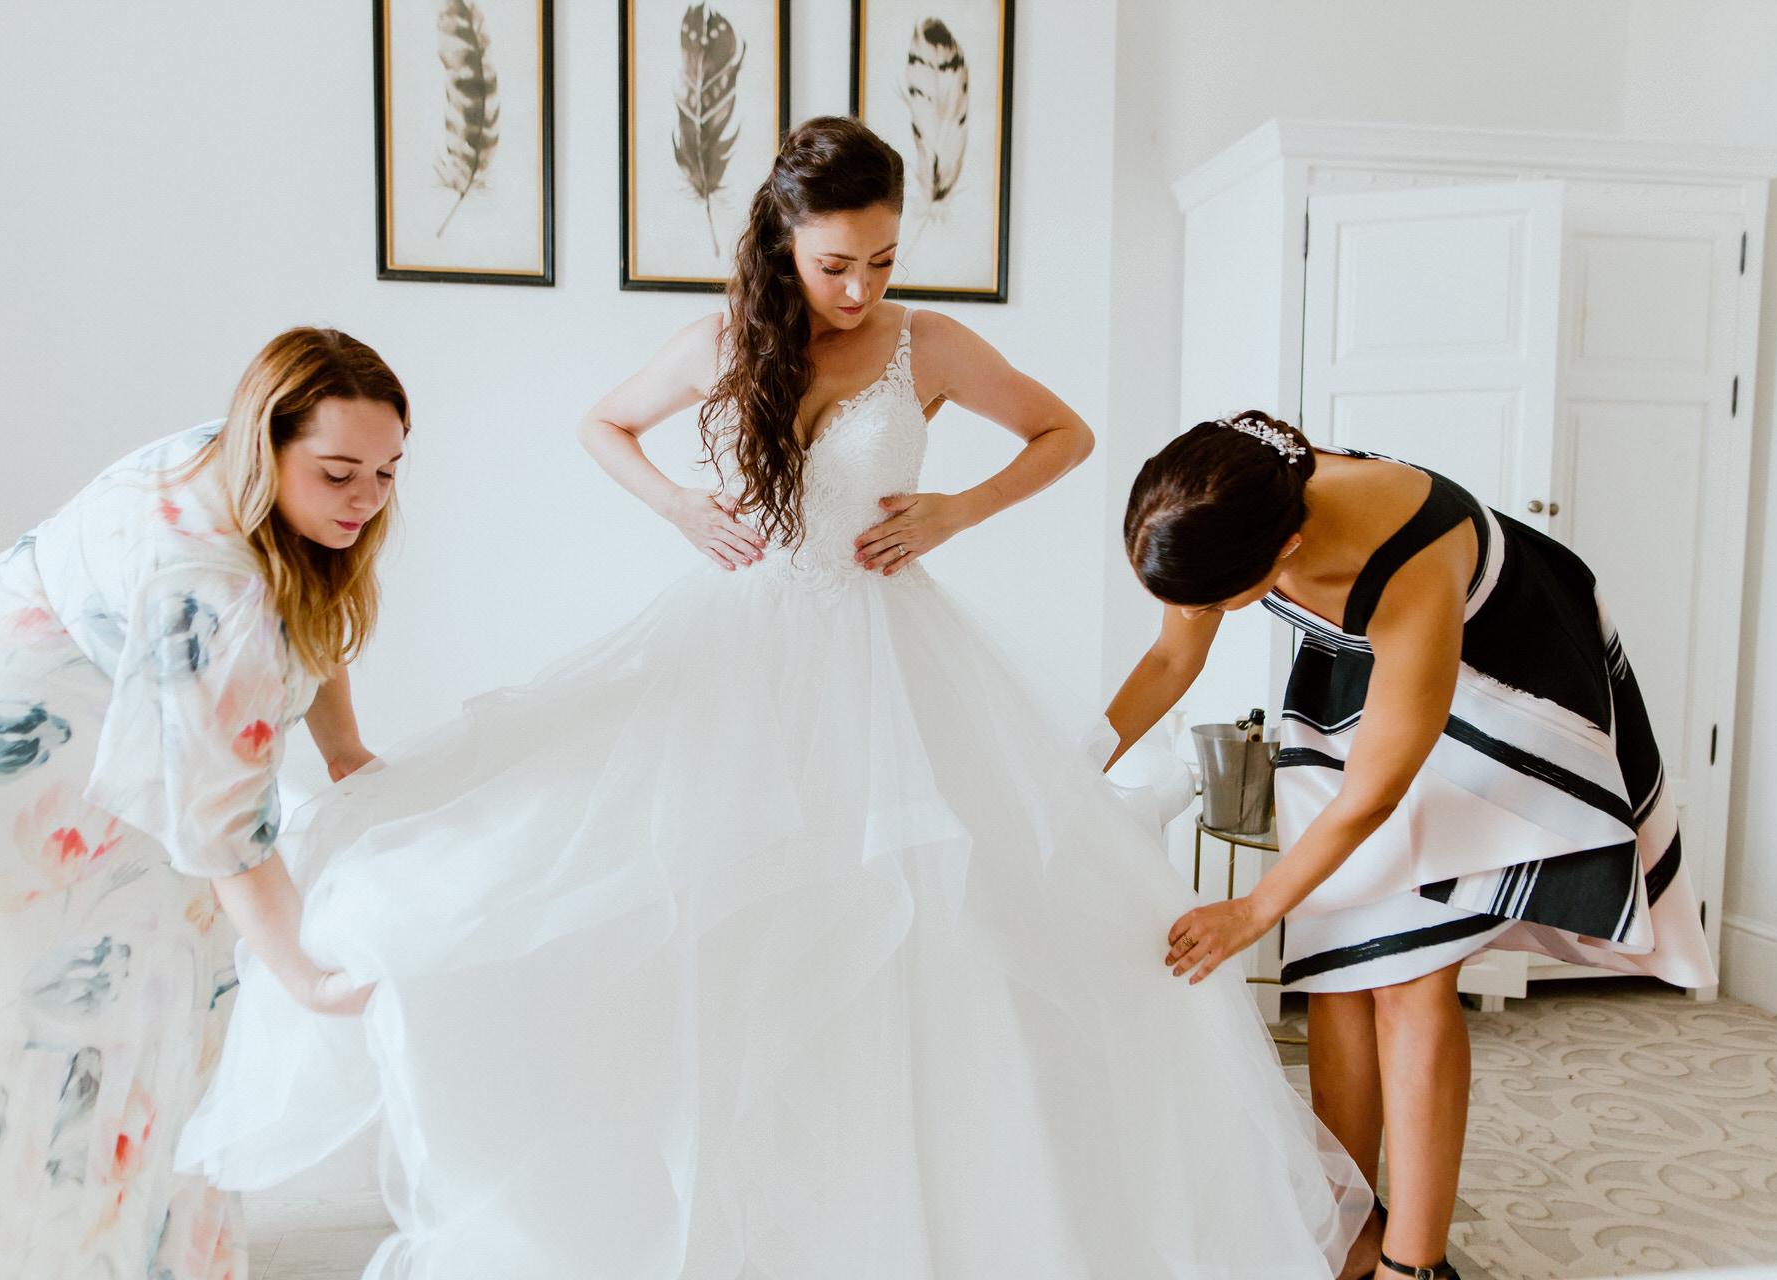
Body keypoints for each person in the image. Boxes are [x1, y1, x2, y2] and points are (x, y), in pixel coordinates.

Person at [182, 120, 1368, 1279]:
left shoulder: (927, 344)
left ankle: (907, 1206)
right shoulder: (723, 341)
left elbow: (1066, 432)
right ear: (783, 240)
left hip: (892, 664)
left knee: (922, 919)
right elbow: (603, 423)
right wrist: (679, 506)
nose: (861, 288)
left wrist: (957, 509)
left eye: (884, 260)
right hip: (736, 655)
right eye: (836, 262)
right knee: (713, 908)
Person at [1109, 410, 1715, 1280]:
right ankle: (1350, 1230)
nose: (1196, 617)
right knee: (1338, 965)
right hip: (1364, 675)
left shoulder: (1413, 563)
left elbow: (1375, 794)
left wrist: (1255, 909)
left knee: (1409, 972)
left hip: (1505, 677)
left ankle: (1413, 1265)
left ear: (1286, 552)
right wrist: (1071, 763)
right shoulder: (1224, 494)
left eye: (1213, 605)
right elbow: (1172, 663)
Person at [0, 327, 404, 1278]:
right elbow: (223, 827)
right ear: (267, 444)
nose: (367, 498)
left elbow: (310, 608)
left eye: (386, 471)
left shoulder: (252, 478)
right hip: (0, 757)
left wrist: (343, 749)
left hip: (84, 733)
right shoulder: (207, 584)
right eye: (339, 474)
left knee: (149, 1007)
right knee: (16, 1026)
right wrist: (306, 976)